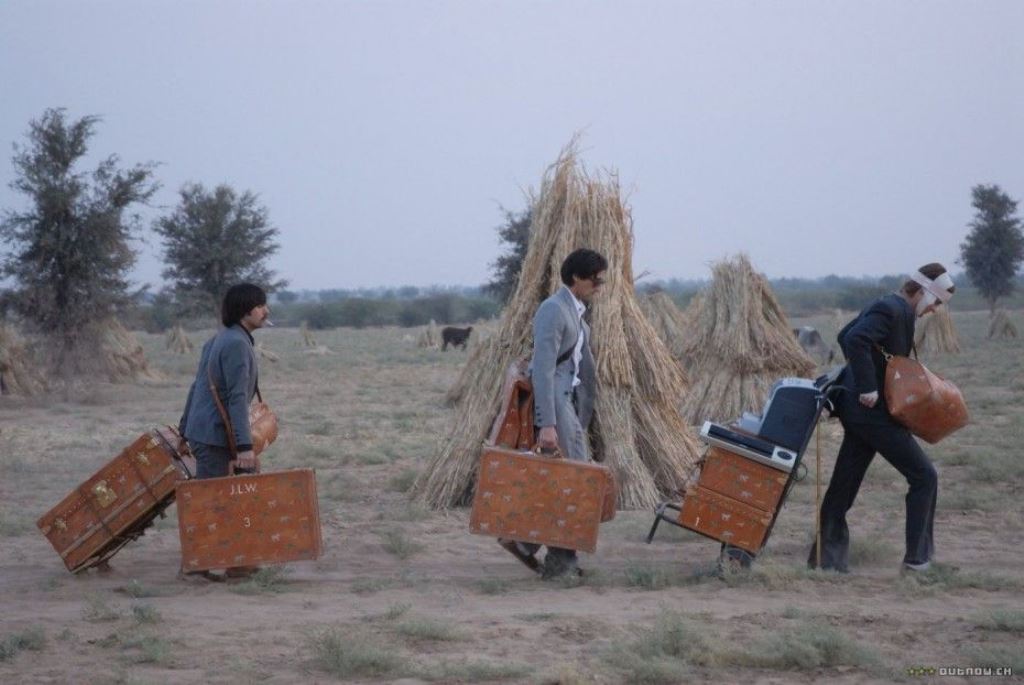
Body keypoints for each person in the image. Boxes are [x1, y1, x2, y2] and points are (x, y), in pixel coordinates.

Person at [809, 263, 954, 575]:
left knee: (844, 485)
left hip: (859, 413)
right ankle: (917, 562)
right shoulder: (893, 309)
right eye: (937, 302)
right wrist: (868, 386)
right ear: (925, 292)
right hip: (871, 414)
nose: (935, 310)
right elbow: (854, 340)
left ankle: (825, 560)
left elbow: (844, 333)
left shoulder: (888, 305)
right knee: (924, 476)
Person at [501, 248, 607, 579]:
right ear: (576, 277)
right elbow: (543, 370)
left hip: (569, 404)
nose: (599, 284)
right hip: (556, 405)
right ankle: (557, 559)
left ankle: (531, 545)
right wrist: (547, 424)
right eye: (595, 278)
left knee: (568, 480)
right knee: (572, 480)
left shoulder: (576, 312)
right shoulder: (553, 309)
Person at [178, 283, 270, 580]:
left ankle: (238, 562)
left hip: (204, 430)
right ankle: (198, 564)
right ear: (246, 311)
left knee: (225, 496)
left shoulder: (220, 339)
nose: (265, 310)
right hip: (214, 434)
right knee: (215, 499)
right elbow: (236, 398)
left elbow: (197, 387)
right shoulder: (236, 344)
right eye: (260, 305)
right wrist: (244, 446)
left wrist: (184, 429)